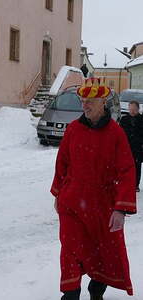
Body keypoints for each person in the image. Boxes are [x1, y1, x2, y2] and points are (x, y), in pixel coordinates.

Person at [51, 78, 137, 300]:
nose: (85, 105)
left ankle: (96, 292)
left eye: (90, 101)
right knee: (70, 250)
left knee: (102, 251)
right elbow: (62, 163)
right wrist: (58, 193)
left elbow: (127, 171)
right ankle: (70, 294)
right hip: (72, 203)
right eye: (83, 101)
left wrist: (121, 208)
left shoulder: (116, 134)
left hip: (102, 205)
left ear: (103, 103)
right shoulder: (73, 130)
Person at [120, 100, 143, 192]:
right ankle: (126, 183)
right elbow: (120, 134)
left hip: (138, 147)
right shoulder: (124, 119)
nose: (132, 111)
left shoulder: (141, 120)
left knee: (137, 166)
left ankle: (136, 185)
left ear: (138, 109)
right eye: (131, 109)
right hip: (127, 147)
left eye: (134, 109)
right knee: (126, 166)